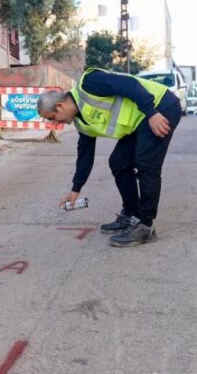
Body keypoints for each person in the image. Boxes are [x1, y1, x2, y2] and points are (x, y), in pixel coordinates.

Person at [37, 68, 181, 247]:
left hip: (159, 107)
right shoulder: (80, 122)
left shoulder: (89, 83)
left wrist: (151, 113)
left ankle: (145, 225)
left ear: (60, 106)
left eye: (53, 118)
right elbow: (85, 155)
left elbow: (130, 84)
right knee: (118, 162)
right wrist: (76, 189)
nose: (55, 123)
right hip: (138, 121)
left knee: (146, 165)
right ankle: (130, 214)